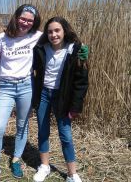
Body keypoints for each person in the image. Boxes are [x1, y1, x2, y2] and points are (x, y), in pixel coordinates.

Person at [0, 4, 43, 181]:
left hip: (26, 86)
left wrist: (77, 48)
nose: (25, 23)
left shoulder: (38, 37)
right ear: (16, 17)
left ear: (34, 22)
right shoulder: (1, 38)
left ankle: (16, 159)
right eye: (23, 18)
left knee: (22, 126)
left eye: (30, 20)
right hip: (6, 87)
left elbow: (59, 40)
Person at [32, 17, 88, 182]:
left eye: (57, 30)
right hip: (43, 94)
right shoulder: (41, 48)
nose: (53, 34)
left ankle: (72, 173)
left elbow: (81, 82)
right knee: (43, 131)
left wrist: (75, 106)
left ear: (65, 31)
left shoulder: (75, 50)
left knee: (66, 135)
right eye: (50, 31)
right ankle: (44, 166)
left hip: (62, 97)